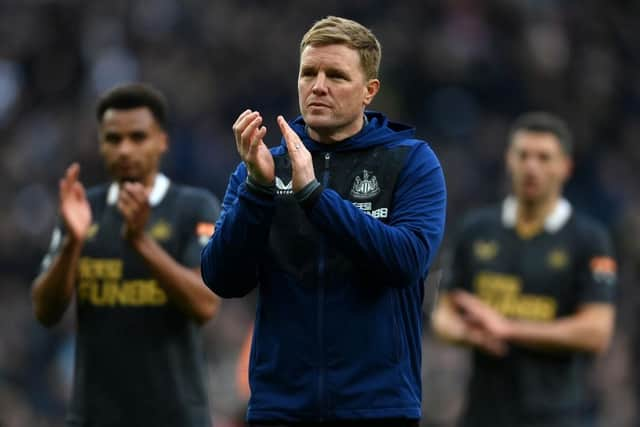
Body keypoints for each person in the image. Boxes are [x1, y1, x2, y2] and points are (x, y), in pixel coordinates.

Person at [201, 15, 447, 426]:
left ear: (370, 91)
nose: (318, 85)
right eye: (308, 73)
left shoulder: (411, 161)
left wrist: (316, 197)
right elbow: (223, 278)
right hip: (280, 407)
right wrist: (258, 191)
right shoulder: (261, 166)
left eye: (335, 75)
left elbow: (407, 261)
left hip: (377, 406)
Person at [31, 83, 221, 427]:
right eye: (113, 139)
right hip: (94, 416)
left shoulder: (194, 207)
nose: (124, 150)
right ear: (101, 144)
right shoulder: (82, 208)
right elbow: (45, 311)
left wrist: (141, 242)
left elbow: (206, 304)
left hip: (174, 416)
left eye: (137, 137)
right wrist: (72, 244)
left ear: (162, 141)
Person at [432, 112, 617, 427]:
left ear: (565, 167)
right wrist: (472, 335)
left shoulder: (588, 239)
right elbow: (443, 316)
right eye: (523, 155)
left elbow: (596, 331)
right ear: (509, 160)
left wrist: (508, 328)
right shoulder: (476, 229)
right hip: (482, 413)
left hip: (558, 415)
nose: (532, 167)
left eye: (544, 158)